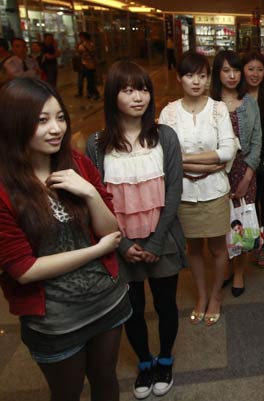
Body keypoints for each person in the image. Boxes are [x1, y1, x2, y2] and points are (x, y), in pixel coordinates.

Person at [0, 77, 129, 401]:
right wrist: (95, 251)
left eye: (59, 117)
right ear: (14, 124)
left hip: (105, 301)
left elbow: (110, 229)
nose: (55, 128)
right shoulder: (6, 189)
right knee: (66, 393)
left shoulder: (79, 164)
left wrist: (89, 193)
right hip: (55, 319)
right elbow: (23, 269)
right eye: (42, 120)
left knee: (106, 382)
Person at [86, 61, 187, 399]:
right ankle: (144, 362)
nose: (138, 97)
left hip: (162, 238)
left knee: (165, 303)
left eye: (143, 88)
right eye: (128, 90)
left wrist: (157, 241)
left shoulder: (164, 136)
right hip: (120, 241)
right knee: (130, 307)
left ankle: (166, 358)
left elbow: (174, 191)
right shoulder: (97, 144)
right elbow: (98, 200)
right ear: (113, 95)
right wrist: (123, 243)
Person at [158, 51, 237, 326]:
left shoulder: (218, 109)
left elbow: (227, 151)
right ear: (179, 77)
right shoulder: (169, 111)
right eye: (190, 75)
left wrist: (184, 159)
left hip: (214, 190)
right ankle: (201, 296)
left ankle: (216, 296)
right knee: (192, 249)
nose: (196, 81)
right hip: (183, 193)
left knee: (217, 248)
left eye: (202, 76)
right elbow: (166, 156)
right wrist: (204, 162)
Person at [211, 50, 262, 298]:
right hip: (216, 171)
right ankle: (226, 268)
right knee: (220, 224)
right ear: (217, 73)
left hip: (244, 170)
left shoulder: (250, 102)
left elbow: (257, 141)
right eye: (225, 70)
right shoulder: (210, 103)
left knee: (243, 223)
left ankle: (239, 272)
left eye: (235, 70)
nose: (232, 76)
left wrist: (247, 176)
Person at [242, 51, 264, 266]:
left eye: (259, 70)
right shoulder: (236, 96)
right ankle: (246, 244)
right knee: (246, 203)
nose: (255, 74)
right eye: (251, 69)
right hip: (242, 162)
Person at [76, 32, 100, 100]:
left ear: (83, 37)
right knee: (91, 80)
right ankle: (91, 93)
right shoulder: (91, 44)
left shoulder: (81, 46)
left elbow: (79, 54)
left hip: (86, 64)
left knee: (89, 80)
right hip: (92, 64)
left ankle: (93, 93)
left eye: (80, 37)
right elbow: (94, 54)